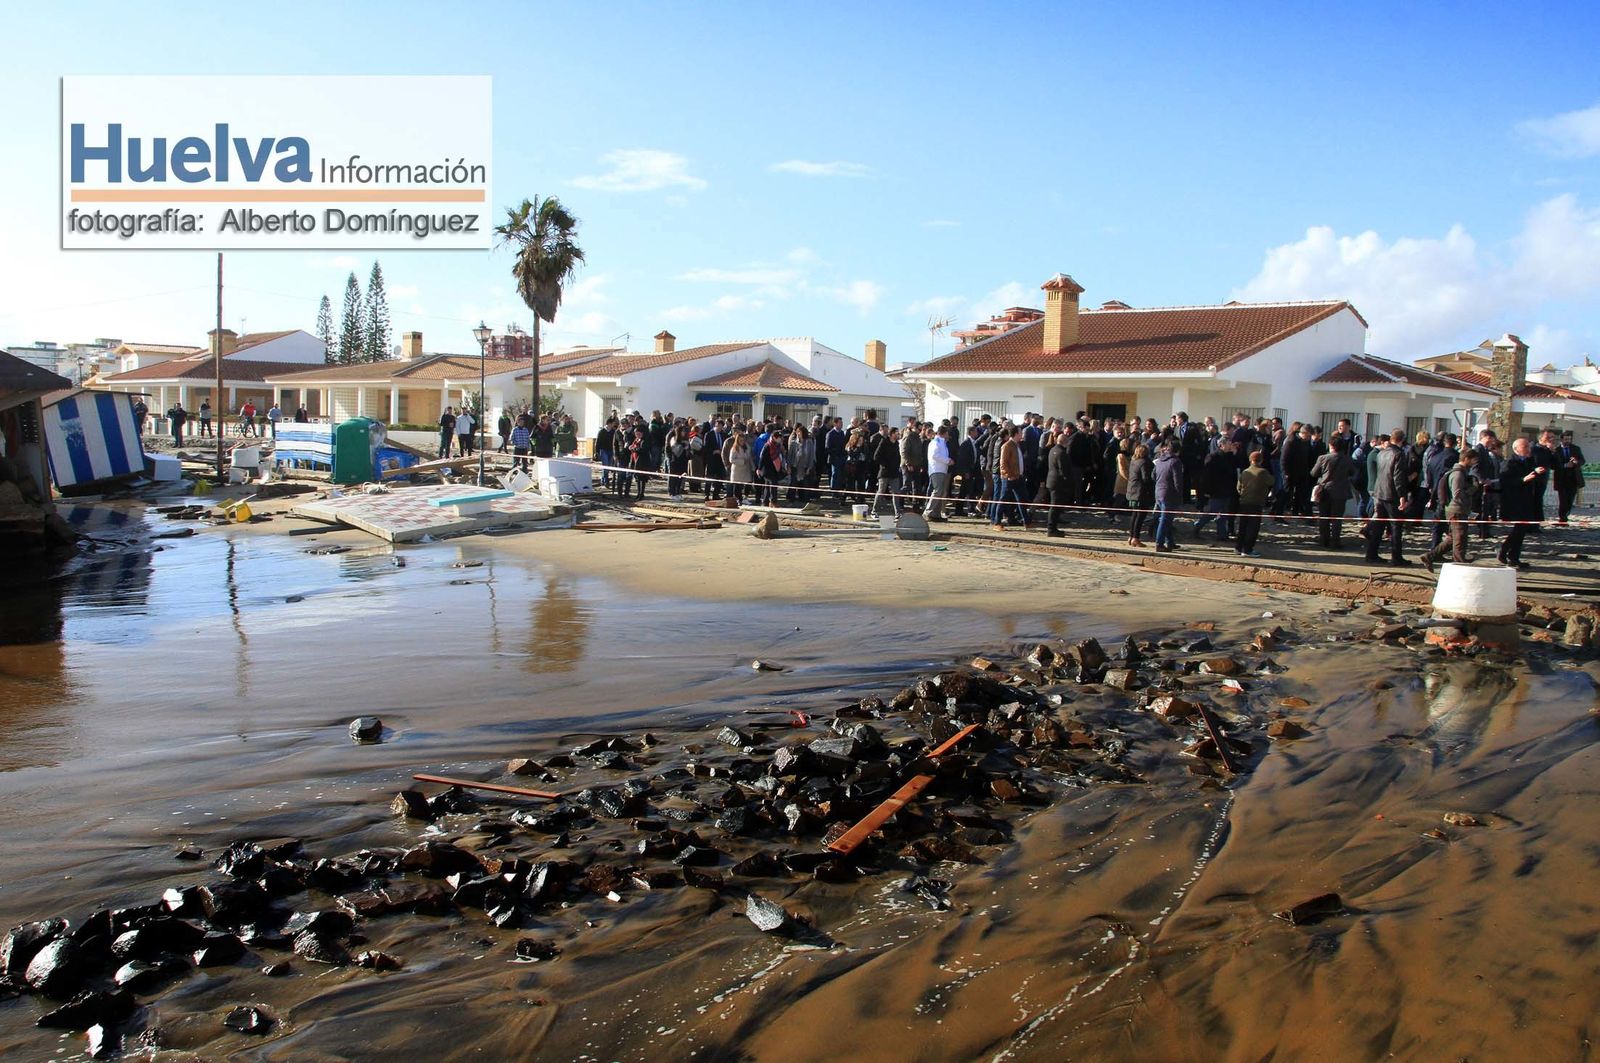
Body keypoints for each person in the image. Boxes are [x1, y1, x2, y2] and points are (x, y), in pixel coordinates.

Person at [1422, 448, 1480, 571]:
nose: (1475, 463)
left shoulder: (1461, 472)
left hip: (1458, 509)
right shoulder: (1457, 473)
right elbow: (1457, 493)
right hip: (1456, 509)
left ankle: (1429, 556)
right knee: (1460, 537)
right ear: (1466, 459)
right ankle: (1459, 563)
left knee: (1452, 538)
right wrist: (1473, 488)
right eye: (1473, 460)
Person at [1364, 430, 1411, 566]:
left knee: (1379, 525)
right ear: (1402, 440)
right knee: (1396, 526)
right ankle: (1396, 557)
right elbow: (1398, 477)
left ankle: (1371, 554)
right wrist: (1402, 495)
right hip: (1391, 494)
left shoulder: (1382, 453)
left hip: (1379, 492)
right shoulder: (1398, 454)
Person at [1498, 436, 1543, 570]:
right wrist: (1523, 479)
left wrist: (1536, 472)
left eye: (1529, 447)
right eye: (1525, 447)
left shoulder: (1529, 461)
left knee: (1521, 530)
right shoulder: (1509, 463)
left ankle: (1511, 555)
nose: (1529, 450)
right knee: (1519, 529)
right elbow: (1505, 481)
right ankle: (1508, 553)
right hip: (1514, 501)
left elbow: (1530, 475)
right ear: (1517, 449)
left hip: (1527, 500)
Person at [1309, 437, 1356, 549]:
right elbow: (1353, 473)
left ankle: (1324, 540)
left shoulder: (1323, 458)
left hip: (1325, 491)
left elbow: (1313, 473)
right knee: (1337, 518)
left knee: (1323, 517)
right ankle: (1335, 541)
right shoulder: (1347, 459)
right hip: (1341, 492)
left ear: (1331, 446)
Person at [1192, 440, 1237, 541]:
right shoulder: (1213, 457)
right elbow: (1207, 475)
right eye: (1229, 444)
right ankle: (1197, 527)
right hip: (1216, 490)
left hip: (1227, 489)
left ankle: (1222, 535)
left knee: (1224, 514)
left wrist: (1234, 454)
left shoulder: (1229, 456)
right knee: (1212, 512)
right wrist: (1206, 491)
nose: (1231, 446)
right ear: (1222, 445)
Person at [989, 425, 1029, 530]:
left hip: (1018, 476)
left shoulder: (1017, 445)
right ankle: (997, 522)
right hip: (1009, 478)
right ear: (1016, 434)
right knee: (1003, 499)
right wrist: (1008, 475)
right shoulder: (1007, 446)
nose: (1022, 435)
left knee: (1021, 499)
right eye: (1021, 432)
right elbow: (1003, 463)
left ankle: (1026, 521)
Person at [1235, 450, 1274, 557]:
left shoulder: (1245, 472)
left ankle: (1238, 547)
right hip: (1256, 503)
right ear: (1261, 460)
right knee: (1253, 528)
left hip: (1244, 502)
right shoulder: (1263, 472)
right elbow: (1271, 481)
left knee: (1242, 526)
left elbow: (1238, 487)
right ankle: (1248, 549)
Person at [1152, 442, 1184, 552]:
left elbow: (1153, 475)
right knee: (1165, 520)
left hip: (1159, 492)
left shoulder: (1160, 460)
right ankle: (1159, 543)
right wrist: (1180, 497)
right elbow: (1178, 482)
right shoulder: (1175, 462)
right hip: (1169, 494)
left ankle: (1170, 542)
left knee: (1167, 519)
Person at [1552, 430, 1585, 524]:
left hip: (1574, 478)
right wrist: (1565, 465)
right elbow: (1553, 465)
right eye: (1566, 439)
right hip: (1561, 479)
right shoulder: (1556, 450)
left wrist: (1576, 462)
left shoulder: (1576, 449)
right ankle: (1562, 518)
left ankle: (1566, 514)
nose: (1568, 441)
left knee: (1570, 499)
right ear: (1561, 440)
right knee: (1563, 499)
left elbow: (1582, 461)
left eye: (1569, 439)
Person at [1126, 443, 1155, 547]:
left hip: (1133, 491)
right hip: (1141, 492)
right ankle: (1136, 538)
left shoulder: (1134, 461)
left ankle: (1131, 536)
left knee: (1134, 515)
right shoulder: (1145, 462)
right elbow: (1146, 478)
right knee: (1140, 516)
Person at [924, 425, 952, 521]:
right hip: (936, 469)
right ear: (944, 433)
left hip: (941, 469)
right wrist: (947, 460)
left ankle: (935, 514)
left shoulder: (942, 443)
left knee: (940, 492)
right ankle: (928, 511)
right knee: (937, 491)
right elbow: (935, 455)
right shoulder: (936, 442)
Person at [725, 429, 755, 505]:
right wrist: (741, 461)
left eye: (743, 440)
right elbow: (731, 459)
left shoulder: (747, 447)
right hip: (737, 470)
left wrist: (753, 466)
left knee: (748, 483)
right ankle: (739, 499)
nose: (742, 442)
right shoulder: (734, 448)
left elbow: (750, 457)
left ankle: (745, 498)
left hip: (746, 469)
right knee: (738, 486)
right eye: (741, 440)